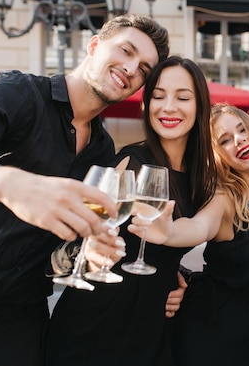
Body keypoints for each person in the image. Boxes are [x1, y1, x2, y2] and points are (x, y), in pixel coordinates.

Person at [0, 13, 169, 366]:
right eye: (126, 50)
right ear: (93, 45)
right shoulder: (17, 91)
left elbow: (59, 250)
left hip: (21, 326)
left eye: (144, 69)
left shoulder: (102, 151)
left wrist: (85, 255)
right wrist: (8, 183)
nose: (132, 68)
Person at [45, 55, 217, 366]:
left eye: (182, 97)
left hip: (151, 330)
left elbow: (168, 250)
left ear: (200, 106)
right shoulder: (129, 163)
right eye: (159, 96)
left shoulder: (200, 177)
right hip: (95, 326)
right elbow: (71, 243)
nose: (168, 107)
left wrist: (179, 278)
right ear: (146, 104)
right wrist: (88, 251)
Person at [165, 104, 249, 366]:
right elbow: (198, 227)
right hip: (210, 329)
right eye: (225, 140)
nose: (239, 140)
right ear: (217, 156)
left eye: (242, 130)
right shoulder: (224, 199)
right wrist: (166, 230)